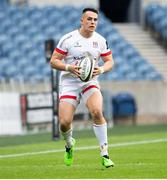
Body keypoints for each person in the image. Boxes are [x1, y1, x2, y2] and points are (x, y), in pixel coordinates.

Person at [50, 7, 114, 168]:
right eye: (89, 19)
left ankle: (105, 154)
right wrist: (68, 68)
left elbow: (110, 61)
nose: (92, 22)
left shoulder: (100, 40)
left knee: (97, 111)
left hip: (89, 81)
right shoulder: (68, 39)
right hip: (70, 83)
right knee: (64, 123)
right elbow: (54, 61)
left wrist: (102, 69)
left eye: (95, 20)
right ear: (82, 21)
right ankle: (69, 144)